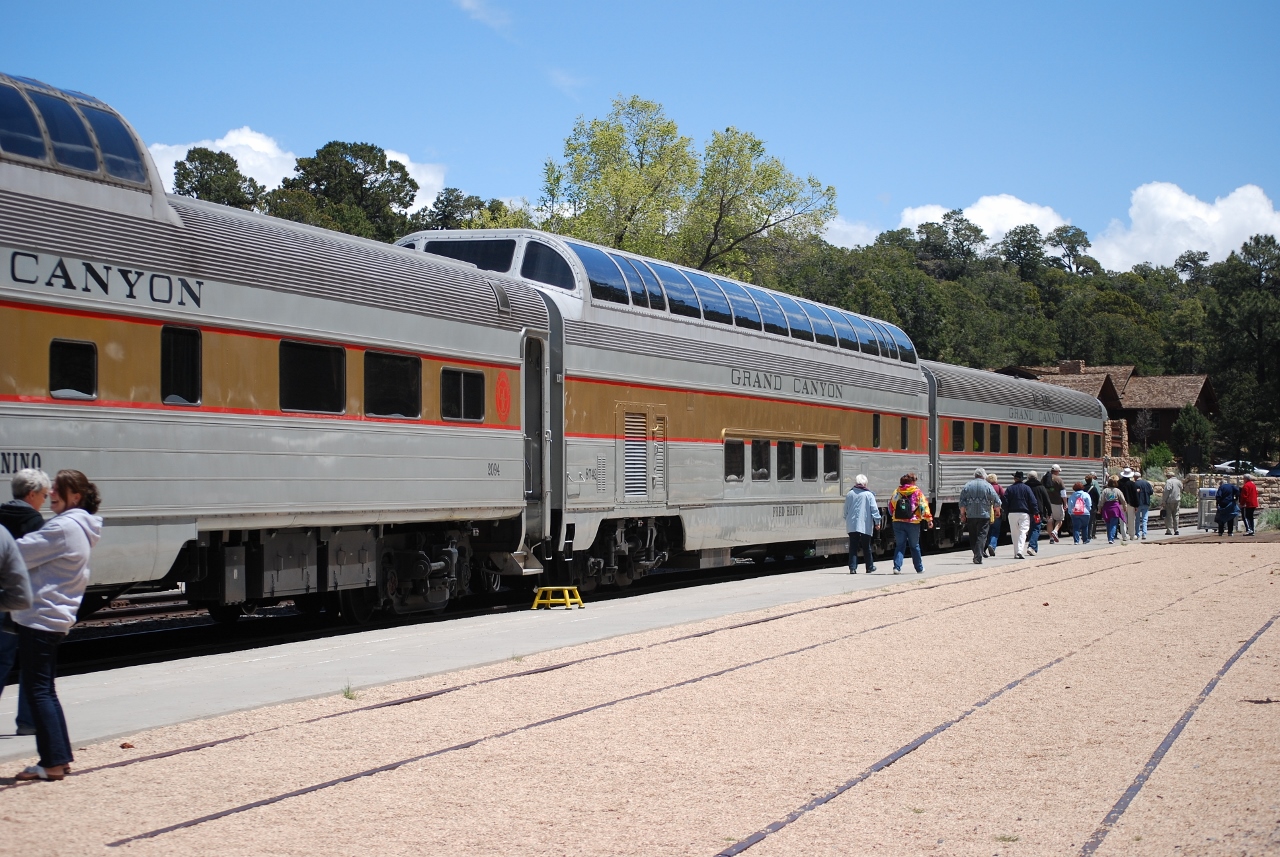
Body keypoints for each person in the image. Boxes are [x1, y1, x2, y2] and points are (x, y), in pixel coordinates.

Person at [11, 470, 102, 782]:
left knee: (37, 691)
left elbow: (16, 554)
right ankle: (58, 759)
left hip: (40, 616)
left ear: (75, 496)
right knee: (45, 690)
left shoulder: (62, 527)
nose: (50, 493)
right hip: (53, 617)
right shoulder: (79, 526)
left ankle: (51, 763)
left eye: (57, 489)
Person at [0, 468, 49, 737]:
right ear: (31, 494)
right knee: (32, 662)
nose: (45, 500)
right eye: (43, 495)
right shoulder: (34, 522)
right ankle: (28, 722)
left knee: (1, 660)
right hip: (21, 600)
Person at [888, 473, 933, 574]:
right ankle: (919, 568)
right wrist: (929, 519)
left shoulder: (897, 491)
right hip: (913, 522)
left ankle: (897, 567)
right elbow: (924, 506)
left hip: (898, 522)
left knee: (900, 545)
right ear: (912, 482)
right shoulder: (917, 492)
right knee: (914, 546)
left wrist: (894, 515)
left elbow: (891, 506)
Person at [958, 468, 1000, 565]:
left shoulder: (968, 485)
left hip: (971, 515)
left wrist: (962, 514)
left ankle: (976, 554)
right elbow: (996, 500)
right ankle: (978, 556)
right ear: (984, 475)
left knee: (973, 536)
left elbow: (962, 502)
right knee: (982, 535)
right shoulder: (988, 485)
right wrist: (997, 510)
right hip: (984, 515)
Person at [844, 474, 881, 574]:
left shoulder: (850, 494)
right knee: (866, 546)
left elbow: (845, 510)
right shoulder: (869, 495)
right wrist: (877, 522)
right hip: (865, 524)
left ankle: (852, 568)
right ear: (865, 484)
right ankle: (869, 567)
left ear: (856, 483)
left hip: (852, 524)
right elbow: (874, 510)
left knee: (853, 546)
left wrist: (847, 519)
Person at [1002, 471, 1038, 560]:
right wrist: (1035, 512)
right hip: (1024, 513)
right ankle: (1020, 551)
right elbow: (1033, 501)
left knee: (1014, 533)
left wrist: (1006, 511)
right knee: (1023, 532)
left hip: (1012, 513)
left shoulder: (1009, 489)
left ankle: (1016, 553)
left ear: (1014, 479)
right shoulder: (1027, 488)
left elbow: (1004, 501)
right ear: (1022, 479)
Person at [1026, 471, 1053, 555]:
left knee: (1031, 529)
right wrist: (1049, 512)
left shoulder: (1025, 486)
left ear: (1028, 477)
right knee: (1036, 528)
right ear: (1036, 477)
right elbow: (1047, 500)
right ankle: (1032, 546)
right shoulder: (1041, 487)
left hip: (1026, 511)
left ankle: (1033, 548)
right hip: (1037, 512)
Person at [1100, 475, 1127, 544]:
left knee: (1108, 523)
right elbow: (1123, 500)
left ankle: (1109, 537)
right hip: (1115, 508)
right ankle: (1111, 538)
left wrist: (1099, 508)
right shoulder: (1117, 490)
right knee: (1114, 524)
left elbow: (1101, 500)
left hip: (1107, 508)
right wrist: (1125, 507)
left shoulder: (1105, 490)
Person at [1045, 465, 1066, 543]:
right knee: (1060, 519)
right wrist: (1065, 503)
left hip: (1047, 503)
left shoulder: (1044, 478)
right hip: (1057, 503)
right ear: (1057, 471)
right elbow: (1063, 493)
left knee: (1049, 520)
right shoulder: (1058, 479)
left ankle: (1051, 538)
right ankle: (1055, 531)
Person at [985, 473, 1005, 557]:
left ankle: (985, 547)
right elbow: (1004, 496)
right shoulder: (998, 487)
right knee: (995, 530)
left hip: (986, 512)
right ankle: (992, 545)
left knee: (987, 531)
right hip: (996, 511)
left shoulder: (986, 487)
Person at [1133, 470, 1154, 540]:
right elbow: (1151, 492)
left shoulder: (1135, 484)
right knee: (1145, 519)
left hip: (1137, 504)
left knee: (1137, 519)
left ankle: (1137, 534)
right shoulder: (1147, 483)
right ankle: (1144, 534)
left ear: (1135, 477)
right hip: (1146, 502)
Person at [1162, 470, 1183, 535]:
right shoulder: (1178, 482)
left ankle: (1169, 530)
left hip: (1169, 501)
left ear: (1170, 476)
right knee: (1176, 515)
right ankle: (1176, 530)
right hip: (1177, 500)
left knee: (1169, 516)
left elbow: (1166, 491)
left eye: (1167, 476)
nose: (1167, 477)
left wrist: (1163, 501)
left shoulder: (1169, 482)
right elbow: (1181, 489)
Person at [1084, 473, 1102, 543]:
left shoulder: (1083, 488)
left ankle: (1084, 535)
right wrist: (1098, 507)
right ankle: (1090, 535)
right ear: (1091, 480)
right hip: (1092, 507)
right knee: (1091, 522)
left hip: (1084, 507)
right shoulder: (1093, 488)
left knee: (1084, 522)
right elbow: (1097, 497)